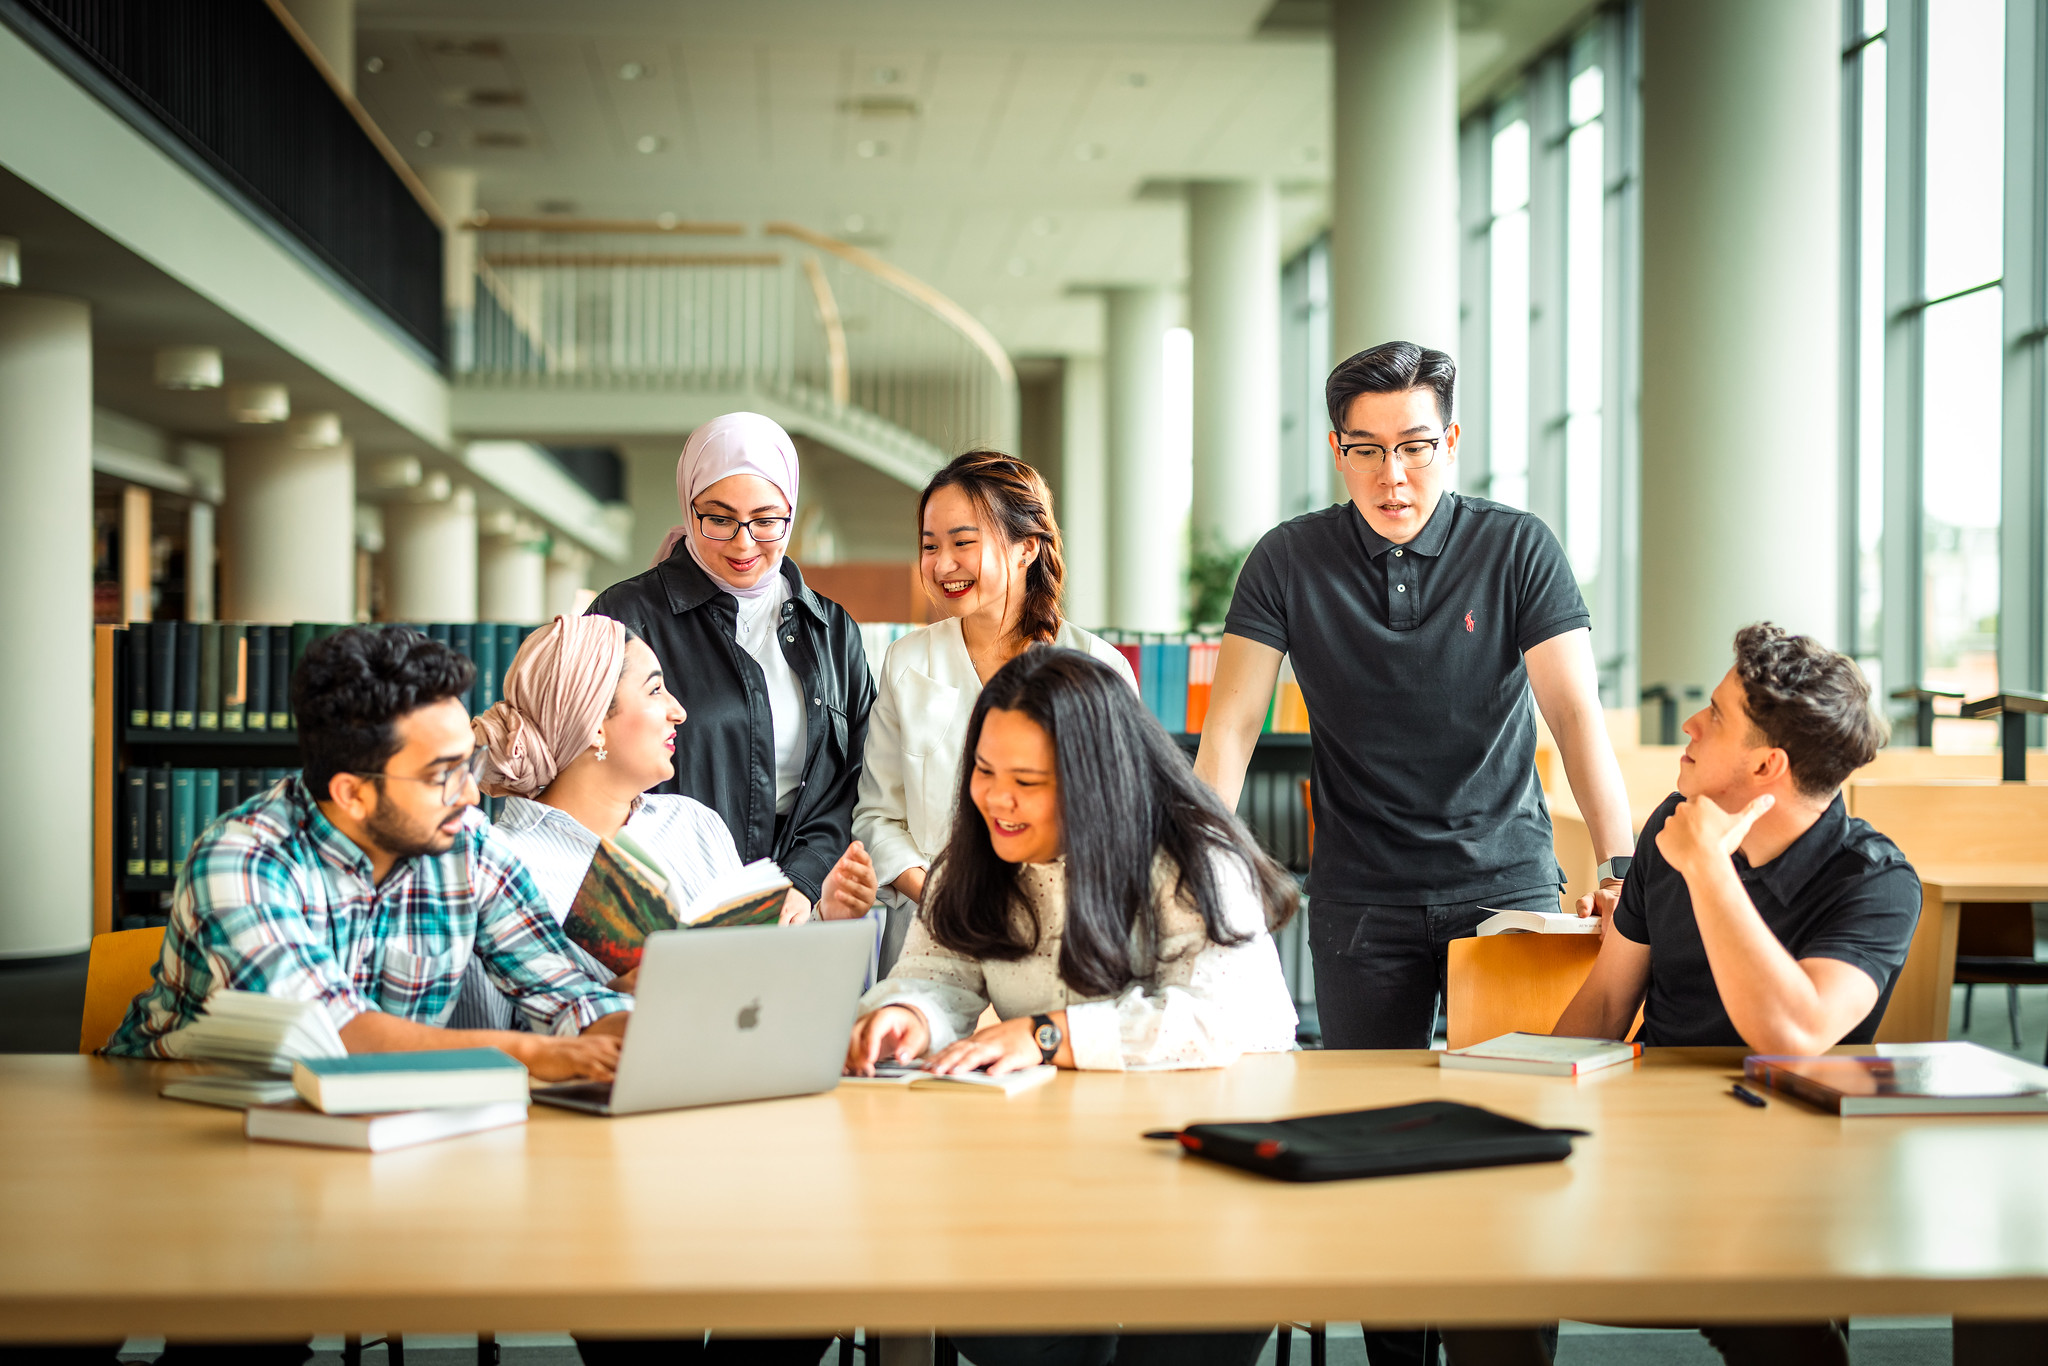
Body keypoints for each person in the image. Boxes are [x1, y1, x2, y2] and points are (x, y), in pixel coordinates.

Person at [1438, 626, 1920, 1366]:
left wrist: (1707, 866)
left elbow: (1792, 1031)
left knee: (1769, 1317)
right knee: (1477, 1261)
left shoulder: (1876, 883)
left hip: (1789, 1165)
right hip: (1654, 1137)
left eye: (1717, 715)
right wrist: (1511, 1117)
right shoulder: (1671, 825)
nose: (1691, 725)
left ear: (1768, 764)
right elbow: (1603, 1007)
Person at [846, 647, 1293, 1366]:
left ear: (1097, 783)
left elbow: (1214, 1020)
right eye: (984, 772)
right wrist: (910, 1013)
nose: (997, 799)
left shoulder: (1193, 856)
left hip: (1206, 1179)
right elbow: (938, 971)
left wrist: (1047, 1034)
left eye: (1028, 781)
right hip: (1049, 1174)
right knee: (1003, 1328)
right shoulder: (979, 856)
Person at [1196, 340, 1635, 1049]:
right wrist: (1194, 870)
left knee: (1515, 1111)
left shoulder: (1517, 548)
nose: (1392, 476)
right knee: (1366, 1123)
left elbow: (1576, 718)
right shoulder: (1287, 560)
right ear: (1338, 450)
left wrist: (1624, 872)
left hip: (1506, 886)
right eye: (1366, 450)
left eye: (1415, 447)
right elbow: (1231, 729)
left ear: (1451, 442)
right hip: (1361, 897)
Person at [108, 625, 632, 1073]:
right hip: (168, 1117)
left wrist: (630, 1034)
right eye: (441, 776)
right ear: (352, 794)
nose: (471, 794)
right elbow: (333, 1036)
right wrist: (530, 1052)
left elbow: (565, 992)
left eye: (465, 764)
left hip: (363, 1118)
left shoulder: (467, 847)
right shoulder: (239, 861)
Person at [589, 411, 878, 929]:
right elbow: (592, 763)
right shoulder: (628, 617)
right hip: (671, 899)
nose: (744, 544)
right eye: (719, 519)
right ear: (688, 505)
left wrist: (803, 881)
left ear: (790, 510)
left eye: (766, 520)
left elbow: (855, 775)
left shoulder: (832, 630)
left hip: (802, 906)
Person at [855, 451, 1135, 973]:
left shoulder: (1096, 667)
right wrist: (945, 900)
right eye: (929, 546)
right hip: (929, 938)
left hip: (1055, 942)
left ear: (1027, 547)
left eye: (963, 543)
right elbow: (876, 817)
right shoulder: (907, 661)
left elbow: (1116, 830)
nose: (942, 565)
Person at [448, 613, 757, 1031]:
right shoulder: (503, 865)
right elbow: (485, 1042)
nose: (679, 711)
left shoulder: (696, 825)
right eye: (655, 690)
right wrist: (612, 1003)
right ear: (594, 725)